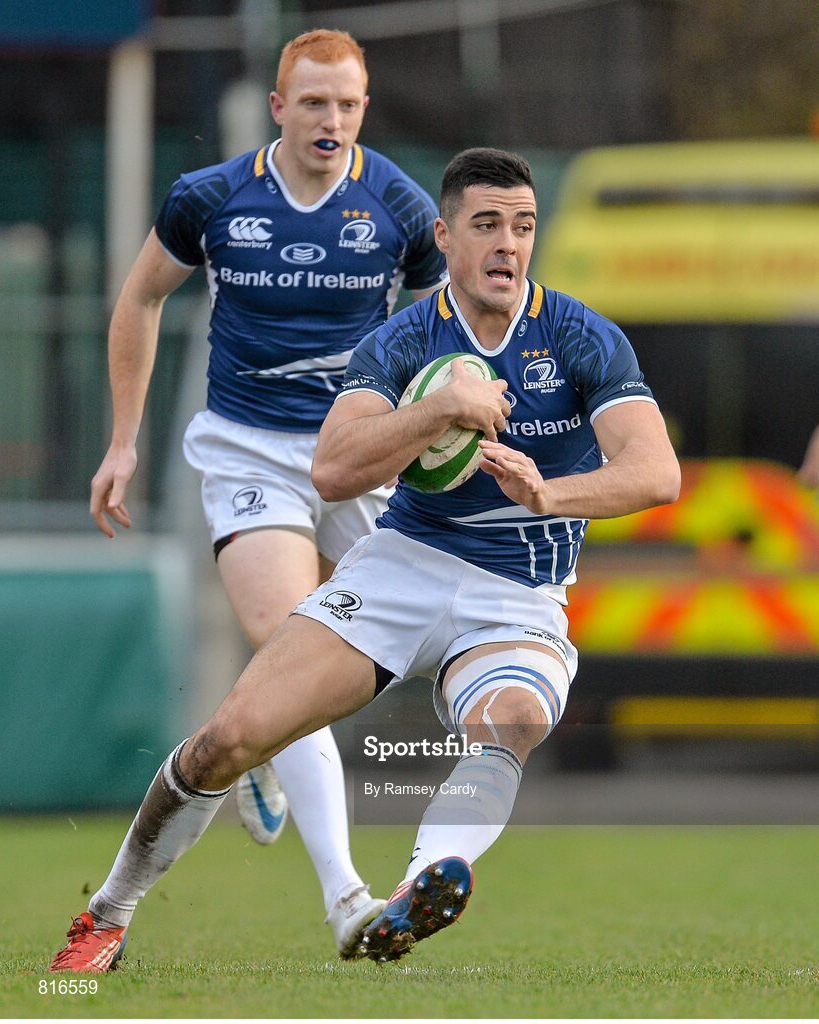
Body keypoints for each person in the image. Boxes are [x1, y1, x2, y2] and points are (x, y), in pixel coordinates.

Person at [53, 147, 680, 972]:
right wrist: (442, 409)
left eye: (523, 227)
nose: (507, 245)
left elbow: (654, 471)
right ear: (443, 236)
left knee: (512, 722)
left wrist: (550, 496)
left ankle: (416, 889)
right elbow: (335, 467)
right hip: (401, 568)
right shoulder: (400, 340)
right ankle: (109, 912)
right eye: (485, 225)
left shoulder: (577, 335)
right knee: (226, 742)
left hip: (517, 592)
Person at [86, 28, 447, 958]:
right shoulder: (212, 198)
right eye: (314, 102)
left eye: (349, 104)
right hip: (250, 454)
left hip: (354, 455)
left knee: (359, 662)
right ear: (278, 107)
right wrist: (123, 442)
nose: (331, 120)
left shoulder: (400, 208)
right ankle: (347, 901)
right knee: (290, 642)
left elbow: (441, 337)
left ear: (365, 110)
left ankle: (269, 763)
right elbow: (137, 299)